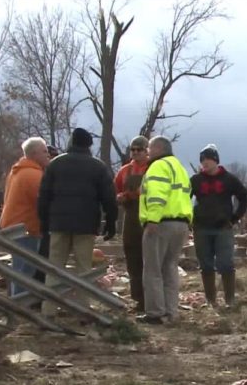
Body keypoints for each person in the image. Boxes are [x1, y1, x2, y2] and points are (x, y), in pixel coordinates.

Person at [38, 128, 118, 318]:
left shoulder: (55, 164)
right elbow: (109, 198)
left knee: (54, 267)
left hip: (58, 224)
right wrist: (111, 223)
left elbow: (44, 197)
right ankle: (83, 311)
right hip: (86, 224)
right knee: (84, 269)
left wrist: (44, 222)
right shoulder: (98, 167)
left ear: (71, 142)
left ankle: (49, 310)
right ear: (89, 145)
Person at [138, 136, 193, 325]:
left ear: (159, 149)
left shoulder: (158, 166)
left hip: (161, 223)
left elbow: (156, 194)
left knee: (153, 269)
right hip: (181, 223)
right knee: (170, 268)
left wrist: (152, 218)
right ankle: (171, 312)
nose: (147, 152)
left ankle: (155, 313)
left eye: (149, 148)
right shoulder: (180, 168)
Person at [190, 144, 247, 309]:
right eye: (202, 160)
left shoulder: (228, 179)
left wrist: (235, 218)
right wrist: (188, 218)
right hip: (201, 228)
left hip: (223, 227)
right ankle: (211, 301)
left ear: (215, 160)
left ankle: (230, 301)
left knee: (225, 263)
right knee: (206, 265)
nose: (205, 163)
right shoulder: (195, 180)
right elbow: (183, 198)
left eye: (208, 159)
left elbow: (244, 197)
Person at [0, 137, 51, 296]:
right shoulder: (34, 175)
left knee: (19, 267)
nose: (48, 155)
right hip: (25, 228)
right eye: (44, 151)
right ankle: (20, 304)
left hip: (12, 225)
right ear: (34, 153)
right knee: (25, 270)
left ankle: (17, 301)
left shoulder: (17, 171)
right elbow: (43, 202)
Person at [114, 136, 151, 311]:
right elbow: (116, 190)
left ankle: (152, 299)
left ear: (147, 150)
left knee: (149, 259)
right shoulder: (123, 171)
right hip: (130, 217)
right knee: (132, 258)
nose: (135, 152)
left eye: (140, 149)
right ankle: (138, 299)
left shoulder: (153, 169)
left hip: (150, 218)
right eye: (133, 149)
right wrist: (120, 197)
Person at [34, 144, 61, 285]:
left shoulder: (52, 174)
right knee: (41, 259)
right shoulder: (39, 174)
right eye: (50, 156)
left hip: (49, 223)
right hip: (41, 224)